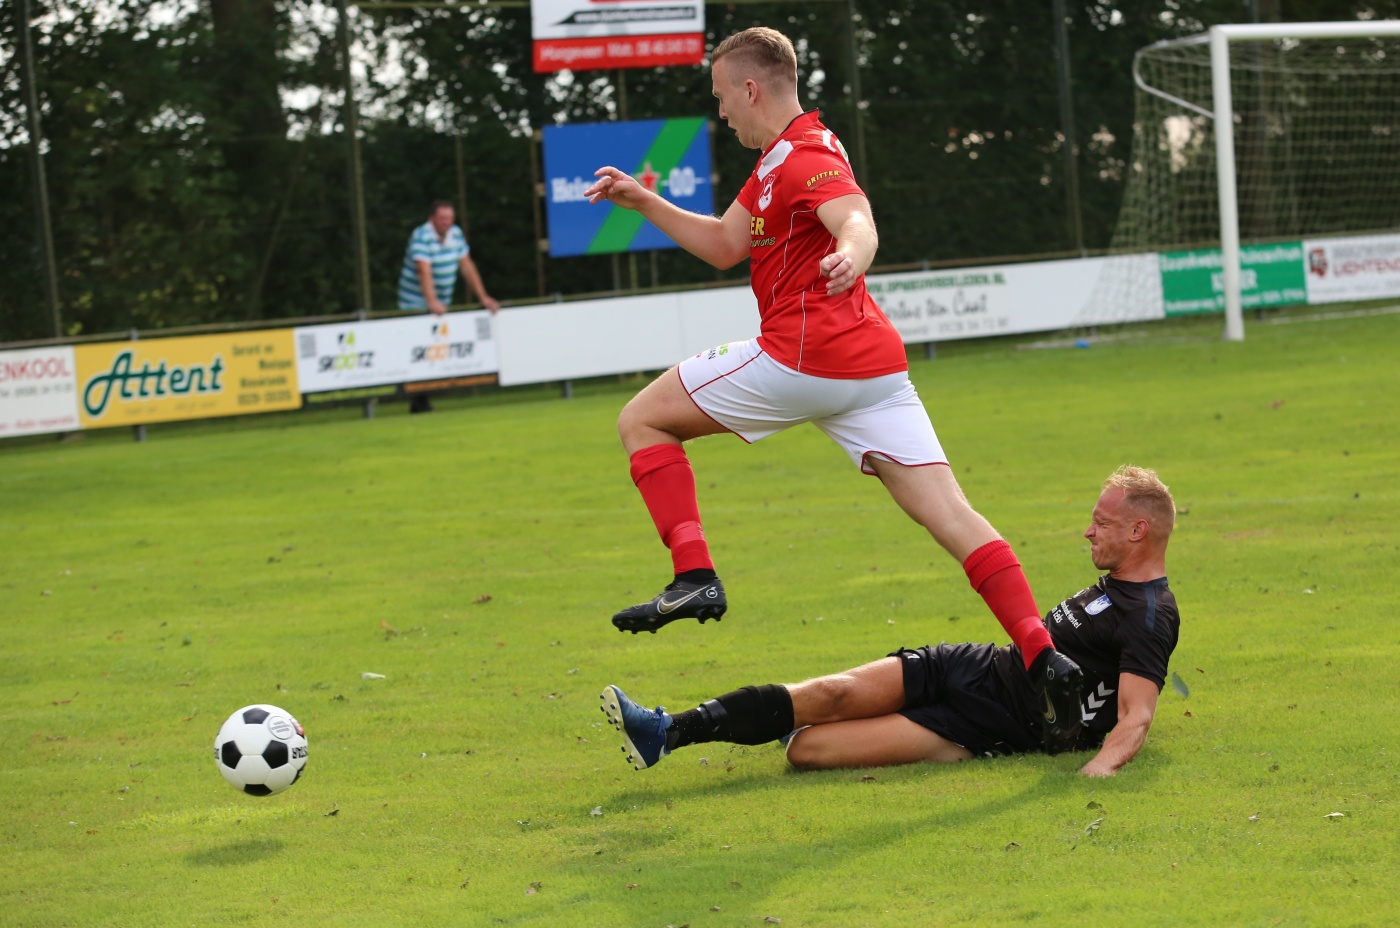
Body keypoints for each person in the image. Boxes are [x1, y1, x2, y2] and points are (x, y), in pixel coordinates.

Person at [583, 26, 1075, 703]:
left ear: (751, 88)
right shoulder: (782, 157)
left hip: (805, 359)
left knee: (641, 419)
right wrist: (644, 201)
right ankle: (1042, 652)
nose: (721, 111)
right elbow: (728, 243)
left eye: (723, 96)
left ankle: (693, 572)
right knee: (952, 515)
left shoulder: (805, 156)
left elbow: (857, 217)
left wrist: (854, 251)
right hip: (875, 375)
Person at [600, 466, 1180, 778]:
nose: (1088, 531)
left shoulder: (1149, 615)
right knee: (832, 692)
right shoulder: (1116, 585)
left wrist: (1095, 774)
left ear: (1138, 531)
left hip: (983, 729)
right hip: (970, 665)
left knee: (807, 751)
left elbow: (1137, 717)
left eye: (1101, 523)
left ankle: (780, 719)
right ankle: (666, 732)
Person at [397, 200, 500, 413]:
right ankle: (418, 401)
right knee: (421, 351)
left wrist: (483, 297)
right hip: (414, 303)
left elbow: (467, 266)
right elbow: (423, 271)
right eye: (442, 219)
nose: (446, 223)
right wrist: (431, 301)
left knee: (434, 349)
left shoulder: (456, 234)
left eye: (449, 219)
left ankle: (421, 400)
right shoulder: (421, 236)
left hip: (440, 303)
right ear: (432, 219)